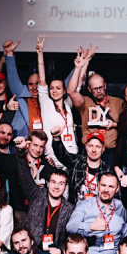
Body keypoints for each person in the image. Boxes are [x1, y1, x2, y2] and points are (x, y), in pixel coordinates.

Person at [67, 45, 125, 165]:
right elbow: (71, 92)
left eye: (100, 87)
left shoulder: (118, 103)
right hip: (89, 152)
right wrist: (78, 68)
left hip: (110, 154)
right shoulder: (85, 102)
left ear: (105, 86)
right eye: (95, 89)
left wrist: (114, 124)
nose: (99, 91)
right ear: (89, 89)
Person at [66, 171, 127, 254]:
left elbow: (126, 237)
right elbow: (70, 226)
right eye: (103, 185)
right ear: (98, 185)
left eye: (111, 186)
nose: (106, 190)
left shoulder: (121, 207)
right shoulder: (84, 204)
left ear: (117, 189)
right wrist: (91, 227)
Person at [16, 149, 73, 254]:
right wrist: (21, 155)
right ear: (47, 183)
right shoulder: (36, 195)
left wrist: (61, 251)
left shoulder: (69, 209)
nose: (56, 187)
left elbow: (70, 238)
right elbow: (25, 177)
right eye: (53, 182)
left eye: (61, 184)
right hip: (32, 253)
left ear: (65, 187)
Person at [35, 36, 77, 164]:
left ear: (64, 91)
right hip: (54, 156)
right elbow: (42, 80)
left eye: (58, 88)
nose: (54, 91)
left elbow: (76, 84)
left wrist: (82, 65)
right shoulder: (46, 103)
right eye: (52, 88)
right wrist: (40, 54)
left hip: (72, 154)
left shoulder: (67, 104)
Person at [51, 129, 112, 203]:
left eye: (98, 147)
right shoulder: (77, 162)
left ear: (103, 148)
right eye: (90, 146)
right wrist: (56, 138)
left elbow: (114, 198)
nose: (94, 150)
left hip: (98, 208)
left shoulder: (107, 171)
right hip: (76, 207)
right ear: (86, 146)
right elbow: (62, 155)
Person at [2, 39, 43, 138]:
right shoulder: (21, 93)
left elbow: (67, 86)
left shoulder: (49, 96)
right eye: (31, 84)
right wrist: (9, 53)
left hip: (43, 143)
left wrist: (79, 67)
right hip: (22, 141)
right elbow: (13, 77)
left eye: (37, 84)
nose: (34, 87)